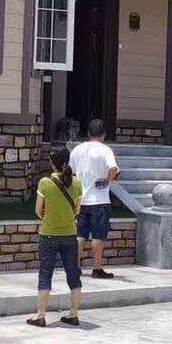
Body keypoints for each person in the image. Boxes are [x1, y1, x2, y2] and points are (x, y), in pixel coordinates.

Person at [27, 146, 84, 328]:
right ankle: (74, 314)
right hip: (70, 235)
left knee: (46, 273)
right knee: (73, 273)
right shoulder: (77, 183)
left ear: (52, 162)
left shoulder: (45, 182)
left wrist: (50, 218)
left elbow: (38, 211)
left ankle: (40, 315)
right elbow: (77, 211)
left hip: (48, 235)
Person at [69, 118, 120, 278]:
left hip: (81, 200)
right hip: (100, 200)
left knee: (80, 235)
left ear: (88, 133)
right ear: (103, 134)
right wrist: (107, 181)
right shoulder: (105, 150)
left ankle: (75, 268)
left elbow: (70, 173)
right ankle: (97, 269)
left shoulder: (77, 149)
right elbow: (113, 169)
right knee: (98, 236)